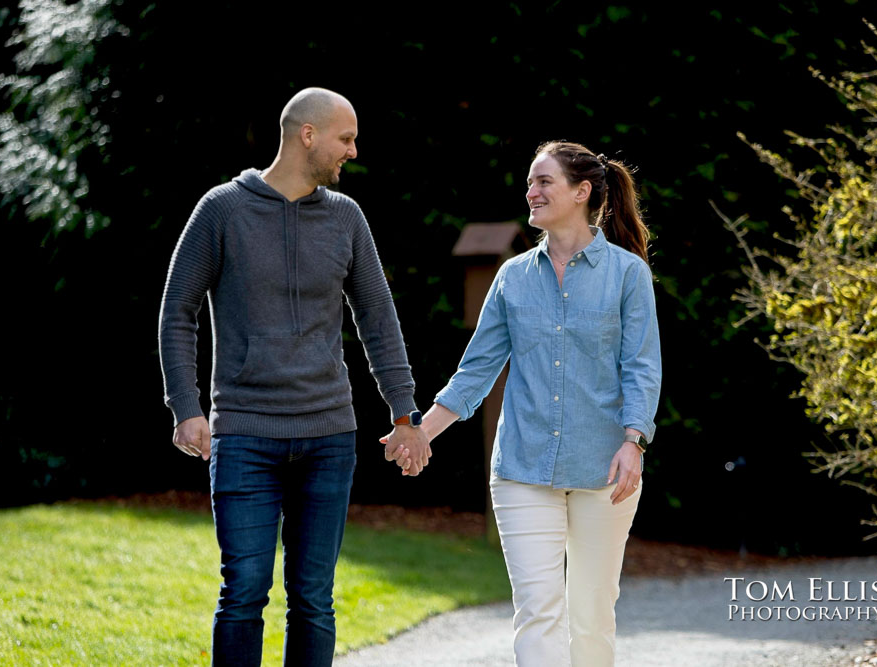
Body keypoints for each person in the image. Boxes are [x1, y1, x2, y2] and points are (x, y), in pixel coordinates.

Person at [158, 87, 430, 667]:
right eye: (346, 138)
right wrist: (186, 406)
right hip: (246, 436)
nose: (353, 151)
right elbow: (177, 309)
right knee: (243, 595)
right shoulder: (222, 210)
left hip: (328, 437)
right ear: (307, 135)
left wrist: (406, 417)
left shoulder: (346, 218)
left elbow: (378, 319)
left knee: (313, 601)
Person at [388, 140, 661, 666]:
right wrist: (421, 431)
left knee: (592, 614)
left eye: (544, 182)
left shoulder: (628, 275)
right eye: (530, 182)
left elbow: (642, 368)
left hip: (606, 469)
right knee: (537, 612)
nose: (531, 192)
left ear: (582, 192)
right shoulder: (513, 277)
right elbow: (476, 371)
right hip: (521, 469)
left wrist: (635, 440)